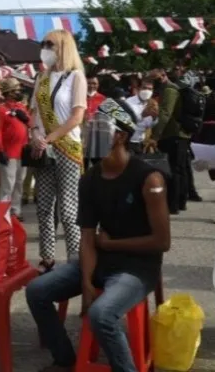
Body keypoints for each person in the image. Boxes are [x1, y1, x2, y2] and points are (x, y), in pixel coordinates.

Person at [26, 102, 170, 372]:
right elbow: (88, 235)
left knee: (101, 315)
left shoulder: (149, 179)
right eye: (89, 129)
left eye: (99, 130)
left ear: (121, 136)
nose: (90, 135)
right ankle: (65, 359)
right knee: (37, 291)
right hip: (101, 261)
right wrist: (87, 282)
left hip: (137, 268)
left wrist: (111, 244)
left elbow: (162, 242)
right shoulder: (90, 179)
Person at [29, 29, 88, 273]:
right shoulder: (41, 79)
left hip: (67, 148)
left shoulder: (76, 77)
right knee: (43, 205)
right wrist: (35, 135)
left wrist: (50, 138)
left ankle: (75, 258)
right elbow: (32, 113)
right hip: (42, 149)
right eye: (44, 44)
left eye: (50, 44)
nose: (45, 48)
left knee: (68, 207)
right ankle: (47, 258)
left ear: (64, 47)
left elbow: (77, 117)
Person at [147, 68, 190, 214]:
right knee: (180, 169)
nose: (154, 82)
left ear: (163, 75)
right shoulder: (169, 89)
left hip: (173, 134)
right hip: (178, 135)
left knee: (174, 170)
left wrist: (155, 136)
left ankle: (174, 204)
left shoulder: (170, 90)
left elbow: (165, 114)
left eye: (155, 78)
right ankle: (180, 202)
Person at [0, 77, 30, 220]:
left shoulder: (21, 108)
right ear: (8, 93)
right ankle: (3, 212)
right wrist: (0, 149)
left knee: (19, 183)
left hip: (22, 152)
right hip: (8, 153)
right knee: (7, 185)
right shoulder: (1, 110)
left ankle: (15, 211)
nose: (19, 93)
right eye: (16, 91)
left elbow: (31, 123)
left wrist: (26, 119)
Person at [124, 76, 159, 154]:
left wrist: (154, 118)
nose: (147, 91)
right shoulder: (129, 102)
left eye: (150, 89)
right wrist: (142, 115)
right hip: (129, 142)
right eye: (144, 88)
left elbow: (150, 125)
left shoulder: (152, 103)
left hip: (142, 143)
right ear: (138, 88)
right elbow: (125, 122)